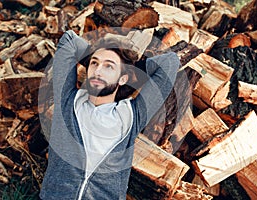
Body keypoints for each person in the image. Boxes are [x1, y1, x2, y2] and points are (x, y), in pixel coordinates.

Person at [39, 30, 180, 200]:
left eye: (108, 66)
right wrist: (99, 57)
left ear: (122, 79)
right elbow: (69, 39)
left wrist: (131, 71)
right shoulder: (68, 102)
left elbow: (170, 62)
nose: (98, 71)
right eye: (94, 64)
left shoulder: (131, 116)